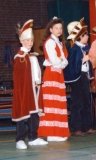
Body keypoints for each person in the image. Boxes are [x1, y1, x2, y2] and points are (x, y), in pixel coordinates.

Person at [12, 19, 48, 149]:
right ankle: (20, 139)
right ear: (21, 41)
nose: (30, 43)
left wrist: (38, 82)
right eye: (27, 40)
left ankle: (33, 137)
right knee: (22, 113)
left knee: (34, 114)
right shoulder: (20, 57)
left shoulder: (32, 55)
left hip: (35, 88)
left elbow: (36, 72)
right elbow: (19, 77)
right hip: (25, 90)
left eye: (31, 40)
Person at [38, 17, 70, 142]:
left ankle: (58, 132)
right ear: (51, 29)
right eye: (56, 28)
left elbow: (64, 61)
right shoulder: (50, 42)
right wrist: (61, 61)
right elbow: (55, 60)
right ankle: (51, 133)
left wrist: (61, 61)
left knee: (58, 103)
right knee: (51, 103)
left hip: (58, 74)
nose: (59, 30)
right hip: (51, 74)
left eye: (60, 28)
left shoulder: (59, 43)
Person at [64, 18, 96, 136]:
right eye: (85, 35)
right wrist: (82, 60)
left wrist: (88, 73)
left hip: (83, 77)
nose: (87, 37)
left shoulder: (83, 48)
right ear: (80, 36)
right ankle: (76, 128)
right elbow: (72, 65)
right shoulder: (74, 50)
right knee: (77, 103)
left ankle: (86, 126)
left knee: (86, 102)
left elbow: (85, 64)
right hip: (76, 78)